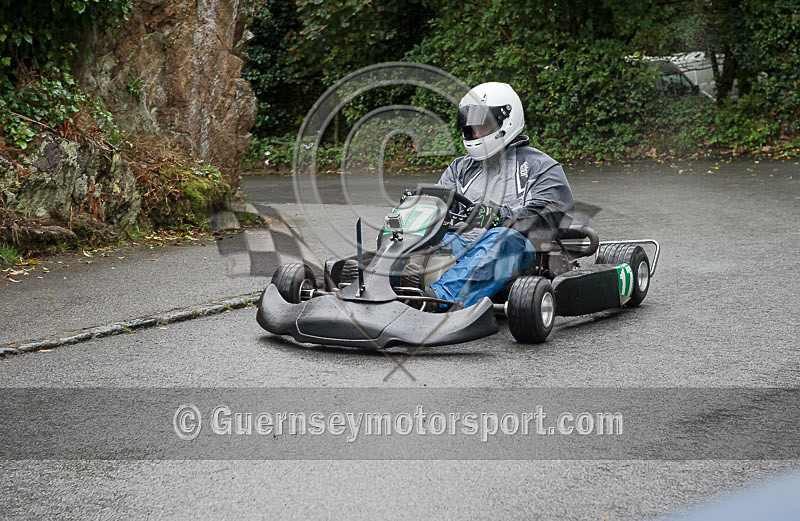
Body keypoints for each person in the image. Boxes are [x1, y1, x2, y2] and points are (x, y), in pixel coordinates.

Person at [406, 82, 575, 307]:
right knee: (417, 239)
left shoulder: (539, 166)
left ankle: (438, 298)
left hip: (517, 252)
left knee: (504, 239)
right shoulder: (460, 168)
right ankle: (387, 285)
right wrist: (420, 207)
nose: (476, 134)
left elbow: (553, 213)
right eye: (471, 128)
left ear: (507, 120)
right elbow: (440, 207)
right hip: (463, 243)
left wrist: (500, 217)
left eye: (483, 127)